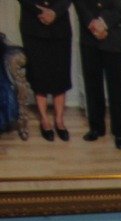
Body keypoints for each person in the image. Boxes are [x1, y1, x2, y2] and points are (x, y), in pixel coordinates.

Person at [73, 0, 121, 148]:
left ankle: (120, 132)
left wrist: (103, 23)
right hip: (89, 35)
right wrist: (91, 22)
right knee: (92, 83)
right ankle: (96, 127)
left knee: (117, 87)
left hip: (114, 33)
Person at [18, 1, 72, 142]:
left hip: (60, 24)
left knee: (60, 72)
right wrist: (40, 12)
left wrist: (54, 12)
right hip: (33, 25)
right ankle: (44, 120)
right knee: (38, 72)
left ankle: (59, 120)